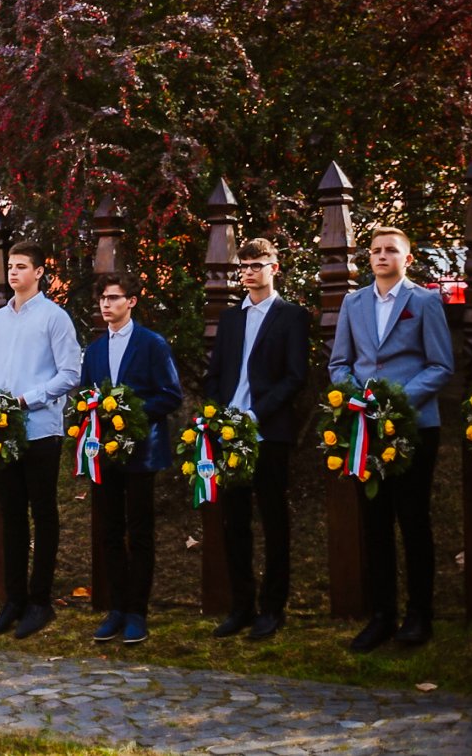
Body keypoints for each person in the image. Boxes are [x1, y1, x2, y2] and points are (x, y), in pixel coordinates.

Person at [329, 226, 453, 651]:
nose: (382, 256)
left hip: (414, 425)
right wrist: (358, 398)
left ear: (407, 258)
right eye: (376, 251)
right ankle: (382, 615)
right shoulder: (353, 302)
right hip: (365, 429)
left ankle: (420, 615)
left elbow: (440, 366)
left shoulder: (424, 301)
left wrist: (394, 401)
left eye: (391, 251)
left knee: (414, 520)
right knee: (375, 523)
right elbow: (340, 363)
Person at [203, 238, 310, 641]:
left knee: (274, 520)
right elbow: (215, 374)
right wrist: (218, 416)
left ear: (274, 267)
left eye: (256, 264)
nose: (248, 272)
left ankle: (272, 608)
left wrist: (255, 413)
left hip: (268, 432)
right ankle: (241, 606)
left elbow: (295, 376)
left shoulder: (291, 316)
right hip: (229, 432)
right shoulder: (231, 318)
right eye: (243, 266)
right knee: (234, 523)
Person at [0, 241, 81, 639]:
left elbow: (70, 373)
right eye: (11, 267)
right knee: (11, 514)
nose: (14, 273)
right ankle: (13, 599)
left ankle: (41, 600)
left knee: (43, 512)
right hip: (2, 430)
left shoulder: (55, 318)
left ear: (39, 272)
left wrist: (25, 399)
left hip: (40, 429)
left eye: (22, 267)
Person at [81, 273, 183, 646]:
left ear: (132, 301)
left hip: (142, 451)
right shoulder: (93, 351)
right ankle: (116, 608)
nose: (106, 305)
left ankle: (138, 611)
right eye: (102, 299)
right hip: (105, 454)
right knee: (109, 532)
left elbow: (171, 395)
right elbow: (85, 397)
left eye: (113, 298)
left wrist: (131, 412)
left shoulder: (152, 344)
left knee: (139, 532)